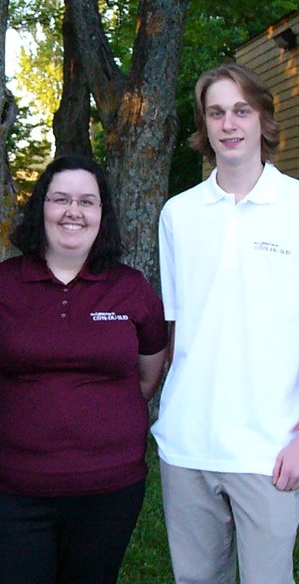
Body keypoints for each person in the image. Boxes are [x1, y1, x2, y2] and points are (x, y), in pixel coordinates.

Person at [0, 154, 168, 584]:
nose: (73, 211)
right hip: (10, 492)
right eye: (61, 199)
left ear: (102, 213)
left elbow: (147, 377)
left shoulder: (132, 289)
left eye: (87, 201)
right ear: (41, 208)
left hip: (109, 491)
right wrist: (8, 421)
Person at [152, 62, 299, 583]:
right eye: (216, 113)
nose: (229, 124)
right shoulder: (178, 214)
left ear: (263, 118)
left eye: (241, 110)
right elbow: (175, 331)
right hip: (187, 444)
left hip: (269, 448)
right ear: (204, 125)